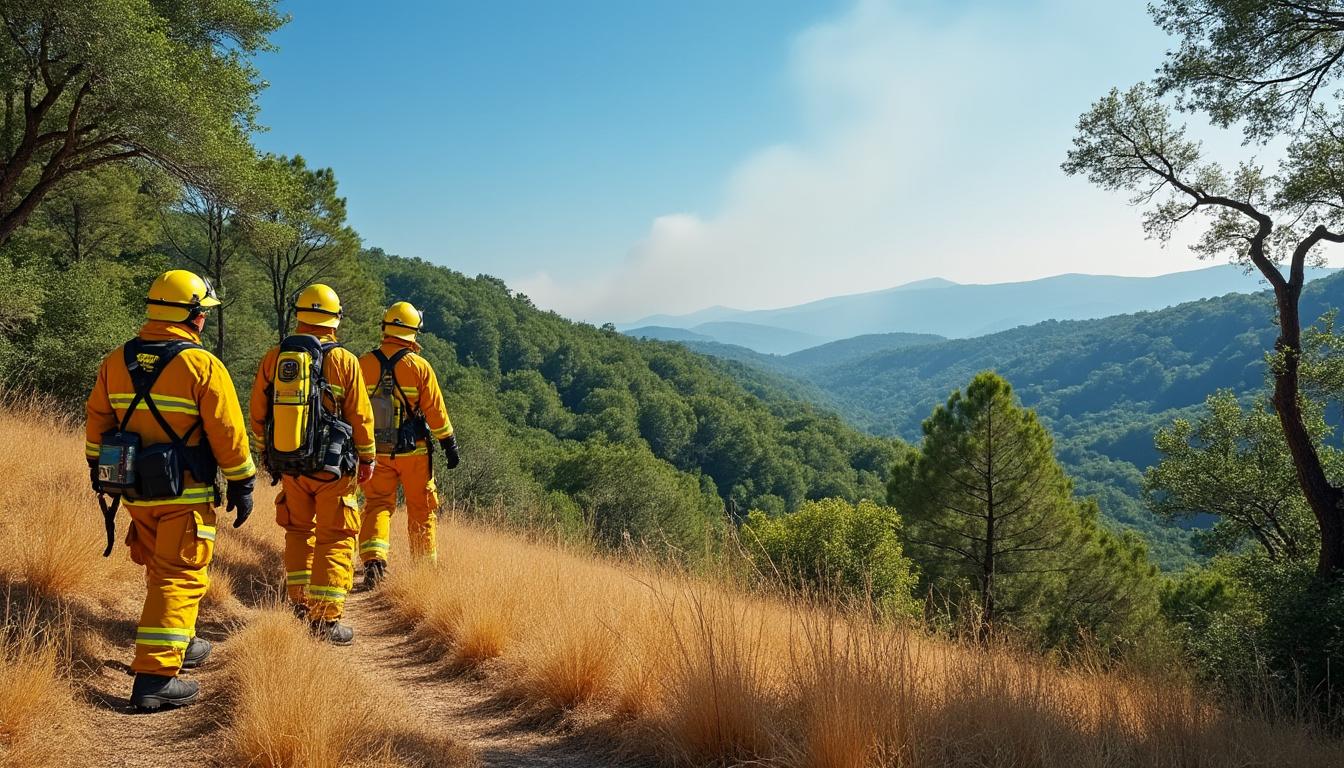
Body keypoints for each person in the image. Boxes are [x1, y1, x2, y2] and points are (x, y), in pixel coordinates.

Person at [85, 269, 256, 711]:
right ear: (194, 316)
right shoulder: (201, 365)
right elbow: (228, 432)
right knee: (179, 575)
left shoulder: (116, 361)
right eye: (203, 313)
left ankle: (186, 641)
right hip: (185, 494)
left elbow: (97, 424)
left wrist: (97, 467)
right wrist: (242, 482)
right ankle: (155, 679)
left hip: (135, 492)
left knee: (162, 569)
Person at [249, 284, 375, 645]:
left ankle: (299, 604)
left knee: (298, 532)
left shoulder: (276, 356)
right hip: (332, 468)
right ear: (335, 319)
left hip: (289, 463)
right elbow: (361, 417)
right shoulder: (344, 360)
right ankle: (326, 620)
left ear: (300, 315)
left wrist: (266, 454)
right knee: (335, 537)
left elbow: (258, 412)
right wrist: (367, 458)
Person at [357, 302, 460, 587]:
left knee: (377, 505)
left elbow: (352, 408)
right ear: (415, 331)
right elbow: (436, 412)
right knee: (421, 508)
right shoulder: (419, 366)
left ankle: (374, 562)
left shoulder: (363, 363)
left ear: (385, 328)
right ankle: (423, 574)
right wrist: (449, 444)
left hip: (376, 451)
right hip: (414, 452)